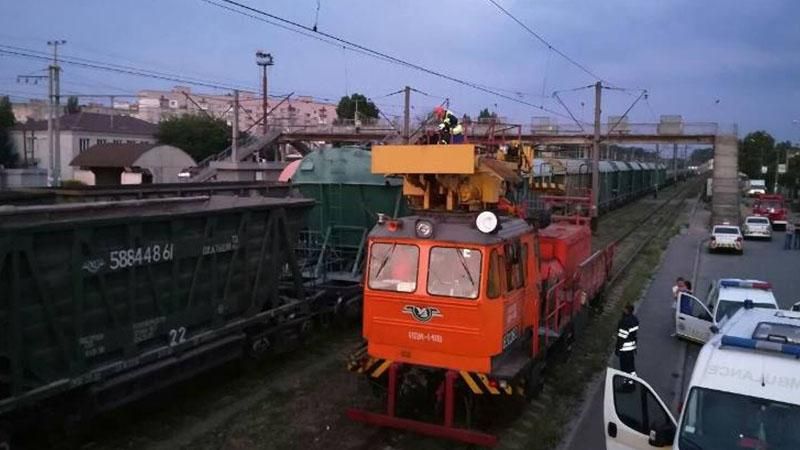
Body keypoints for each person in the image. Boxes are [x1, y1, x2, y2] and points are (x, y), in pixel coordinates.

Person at [616, 304, 639, 377]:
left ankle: (627, 382)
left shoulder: (625, 322)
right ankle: (632, 379)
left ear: (627, 310)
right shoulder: (635, 320)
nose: (623, 310)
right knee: (631, 365)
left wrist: (617, 348)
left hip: (624, 347)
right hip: (632, 346)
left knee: (624, 366)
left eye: (624, 309)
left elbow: (622, 337)